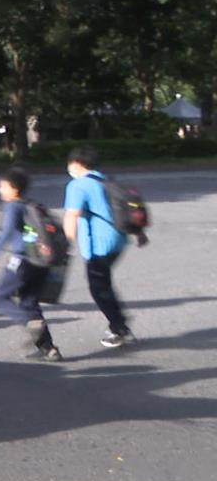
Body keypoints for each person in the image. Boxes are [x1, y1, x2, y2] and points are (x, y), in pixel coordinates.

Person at [62, 144, 144, 348]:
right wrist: (139, 232)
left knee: (98, 288)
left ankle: (120, 328)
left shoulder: (78, 185)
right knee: (104, 284)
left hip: (99, 245)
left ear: (77, 163)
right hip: (119, 240)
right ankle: (118, 322)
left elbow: (72, 215)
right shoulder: (106, 179)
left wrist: (65, 246)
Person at [0, 167, 62, 361]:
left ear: (14, 189)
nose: (0, 190)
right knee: (29, 302)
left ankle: (29, 324)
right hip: (40, 261)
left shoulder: (13, 207)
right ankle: (49, 349)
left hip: (22, 260)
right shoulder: (32, 205)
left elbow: (7, 232)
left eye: (3, 186)